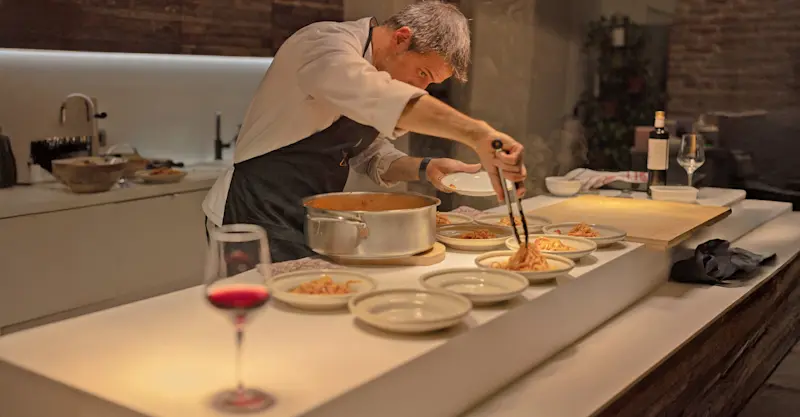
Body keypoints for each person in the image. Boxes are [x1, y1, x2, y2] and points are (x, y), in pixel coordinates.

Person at [202, 1, 527, 263]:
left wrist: (426, 168)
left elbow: (369, 154)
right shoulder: (324, 43)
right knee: (263, 320)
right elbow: (376, 95)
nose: (421, 89)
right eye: (422, 73)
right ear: (401, 38)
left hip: (310, 219)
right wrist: (478, 134)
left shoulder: (373, 73)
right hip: (253, 212)